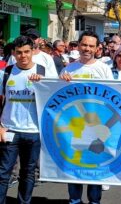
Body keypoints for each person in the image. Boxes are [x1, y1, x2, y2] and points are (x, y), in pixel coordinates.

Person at [60, 31, 113, 204]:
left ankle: (94, 202)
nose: (87, 49)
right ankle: (74, 201)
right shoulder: (68, 69)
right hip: (74, 129)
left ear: (97, 48)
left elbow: (113, 97)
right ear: (78, 45)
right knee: (74, 168)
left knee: (94, 169)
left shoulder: (104, 69)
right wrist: (61, 81)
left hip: (96, 129)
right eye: (84, 45)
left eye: (91, 46)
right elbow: (57, 97)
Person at [0, 36, 49, 203]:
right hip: (9, 129)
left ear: (33, 51)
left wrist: (43, 85)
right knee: (3, 173)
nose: (23, 56)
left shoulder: (43, 72)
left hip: (33, 131)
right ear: (13, 53)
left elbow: (55, 98)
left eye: (27, 52)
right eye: (19, 52)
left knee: (27, 174)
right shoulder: (6, 73)